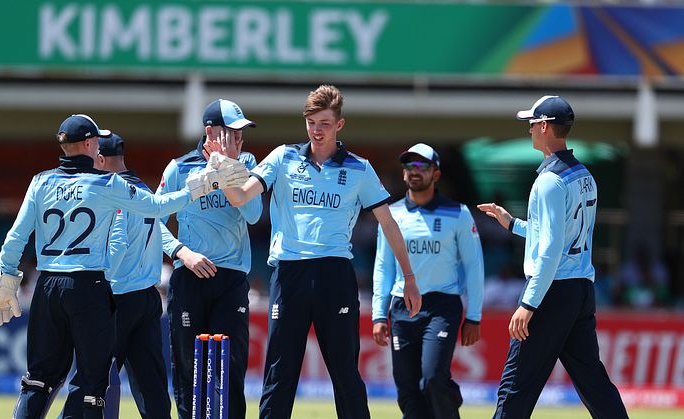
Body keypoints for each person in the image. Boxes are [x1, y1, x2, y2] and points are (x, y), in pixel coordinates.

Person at [213, 84, 422, 419]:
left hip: (334, 273)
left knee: (345, 374)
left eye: (324, 123)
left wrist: (409, 277)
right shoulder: (283, 157)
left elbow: (389, 223)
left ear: (339, 124)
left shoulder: (358, 168)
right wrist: (223, 164)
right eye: (311, 122)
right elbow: (239, 197)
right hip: (290, 273)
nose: (317, 130)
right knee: (279, 375)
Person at [0, 114, 193, 419]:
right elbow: (157, 208)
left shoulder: (40, 181)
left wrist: (6, 280)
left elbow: (16, 237)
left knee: (37, 381)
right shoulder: (107, 182)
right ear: (88, 143)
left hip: (48, 284)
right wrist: (197, 188)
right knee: (92, 387)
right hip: (89, 286)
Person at [477, 96, 628, 419]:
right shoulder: (584, 175)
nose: (529, 130)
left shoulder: (548, 181)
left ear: (545, 126)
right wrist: (512, 223)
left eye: (532, 124)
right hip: (579, 290)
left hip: (551, 291)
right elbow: (559, 234)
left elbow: (549, 249)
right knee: (594, 383)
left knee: (515, 386)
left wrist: (528, 303)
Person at [157, 99, 262, 419]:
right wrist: (181, 252)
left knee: (230, 366)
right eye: (232, 133)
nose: (240, 140)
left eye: (242, 134)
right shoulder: (180, 167)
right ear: (210, 132)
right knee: (189, 366)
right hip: (189, 276)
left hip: (231, 279)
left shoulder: (246, 162)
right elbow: (151, 220)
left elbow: (254, 214)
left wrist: (229, 167)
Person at [60, 133, 172, 418]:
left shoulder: (114, 191)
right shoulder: (143, 190)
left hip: (117, 298)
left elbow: (118, 242)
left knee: (90, 377)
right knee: (152, 385)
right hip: (147, 297)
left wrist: (100, 282)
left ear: (99, 159)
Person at [372, 143, 484, 418]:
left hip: (441, 306)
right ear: (403, 173)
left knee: (433, 377)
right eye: (410, 166)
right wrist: (378, 314)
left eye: (422, 166)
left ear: (436, 174)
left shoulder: (458, 213)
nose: (415, 172)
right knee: (408, 389)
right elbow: (384, 266)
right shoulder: (391, 214)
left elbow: (474, 266)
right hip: (401, 308)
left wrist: (474, 316)